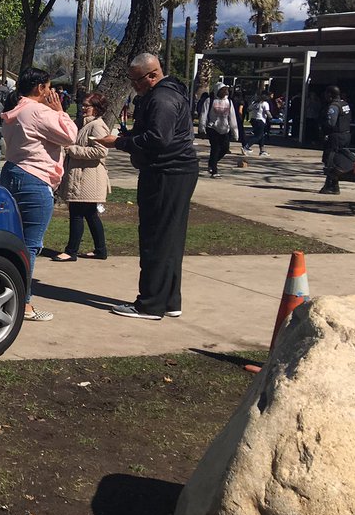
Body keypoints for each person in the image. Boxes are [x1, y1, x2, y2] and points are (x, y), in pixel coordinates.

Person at [95, 53, 198, 320]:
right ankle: (170, 300)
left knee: (155, 238)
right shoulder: (169, 94)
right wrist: (129, 137)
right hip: (176, 172)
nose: (134, 86)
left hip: (165, 173)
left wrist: (119, 143)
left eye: (136, 80)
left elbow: (158, 139)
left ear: (152, 75)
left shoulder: (162, 99)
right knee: (171, 238)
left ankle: (150, 304)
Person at [0, 67, 78, 322]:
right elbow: (70, 135)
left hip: (13, 172)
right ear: (39, 88)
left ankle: (8, 295)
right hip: (34, 179)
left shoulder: (16, 109)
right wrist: (59, 111)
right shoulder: (37, 110)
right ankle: (23, 304)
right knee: (30, 245)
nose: (51, 92)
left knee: (15, 241)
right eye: (48, 87)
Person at [54, 92, 111, 262]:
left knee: (77, 212)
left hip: (89, 177)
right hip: (81, 175)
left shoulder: (97, 126)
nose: (83, 108)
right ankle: (101, 250)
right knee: (90, 214)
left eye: (88, 105)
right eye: (83, 105)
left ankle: (71, 251)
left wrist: (73, 150)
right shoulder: (83, 124)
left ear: (97, 108)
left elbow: (102, 151)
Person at [200, 85, 239, 179]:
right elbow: (203, 114)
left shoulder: (229, 102)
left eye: (226, 90)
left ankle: (212, 163)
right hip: (212, 128)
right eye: (223, 90)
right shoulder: (209, 101)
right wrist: (202, 128)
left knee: (225, 149)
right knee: (215, 149)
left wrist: (235, 133)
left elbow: (232, 117)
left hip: (225, 129)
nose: (225, 92)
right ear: (217, 90)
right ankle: (214, 170)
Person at [320, 86, 352, 195]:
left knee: (330, 160)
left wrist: (324, 131)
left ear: (330, 94)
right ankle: (333, 185)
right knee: (338, 159)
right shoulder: (345, 104)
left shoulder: (334, 106)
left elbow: (330, 123)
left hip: (336, 136)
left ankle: (330, 186)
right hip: (346, 135)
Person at [242, 90, 271, 157]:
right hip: (260, 120)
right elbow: (267, 112)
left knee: (261, 135)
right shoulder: (265, 103)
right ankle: (246, 147)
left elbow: (248, 109)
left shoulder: (255, 103)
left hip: (253, 120)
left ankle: (262, 150)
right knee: (258, 136)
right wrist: (271, 118)